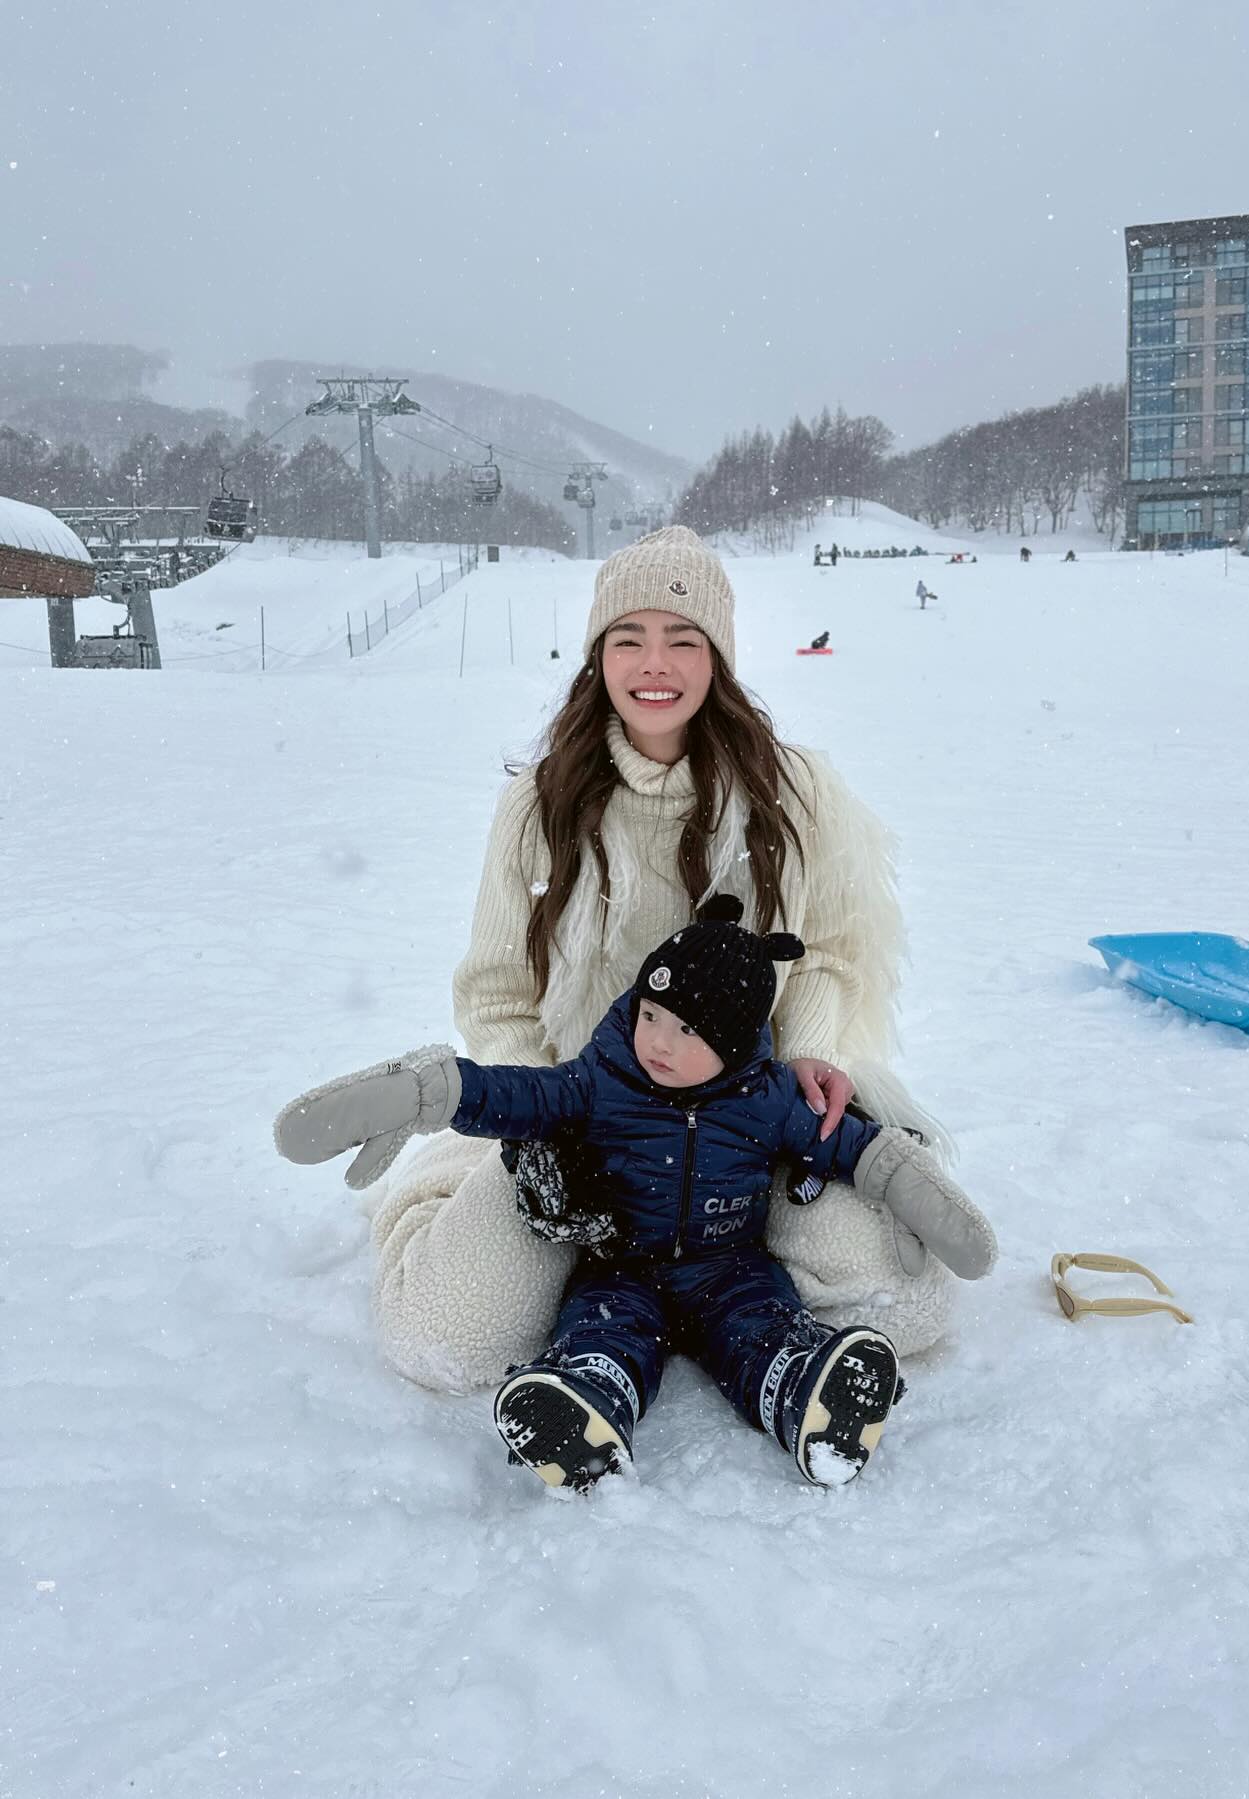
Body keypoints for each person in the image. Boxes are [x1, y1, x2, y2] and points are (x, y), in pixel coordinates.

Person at [296, 526, 961, 1396]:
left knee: (909, 1306)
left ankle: (705, 1264)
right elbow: (496, 993)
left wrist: (809, 1056)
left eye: (684, 640)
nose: (657, 663)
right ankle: (494, 1223)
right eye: (629, 638)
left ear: (717, 656)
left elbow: (832, 949)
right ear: (598, 655)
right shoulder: (540, 805)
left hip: (748, 1127)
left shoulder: (791, 793)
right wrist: (546, 1123)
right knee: (445, 1339)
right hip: (583, 1123)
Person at [275, 898, 997, 1490]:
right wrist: (436, 1092)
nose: (657, 1039)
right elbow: (517, 1092)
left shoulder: (767, 1095)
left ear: (735, 1042)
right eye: (651, 1015)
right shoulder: (601, 1079)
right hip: (620, 1263)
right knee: (601, 1330)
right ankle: (585, 1407)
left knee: (763, 1327)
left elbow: (852, 1146)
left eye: (687, 1029)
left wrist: (906, 1185)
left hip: (729, 1265)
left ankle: (810, 1393)